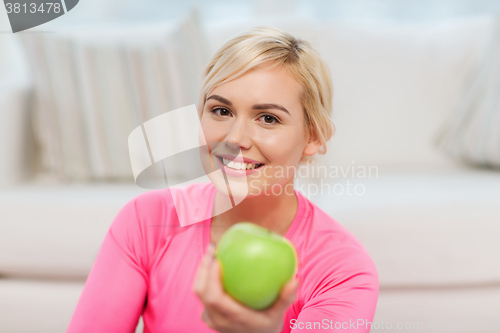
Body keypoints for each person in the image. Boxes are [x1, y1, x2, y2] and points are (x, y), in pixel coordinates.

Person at [66, 26, 378, 333]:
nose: (235, 138)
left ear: (314, 136)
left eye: (268, 118)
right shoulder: (148, 220)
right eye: (221, 110)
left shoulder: (343, 270)